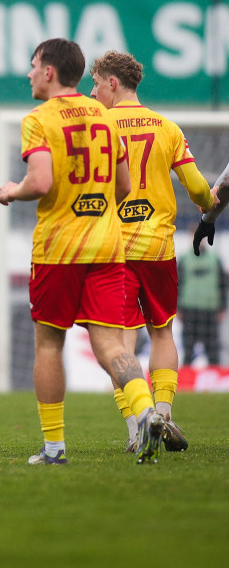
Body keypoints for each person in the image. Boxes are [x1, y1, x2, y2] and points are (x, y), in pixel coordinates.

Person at [0, 38, 165, 465]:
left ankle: (54, 448)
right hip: (107, 247)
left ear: (49, 72)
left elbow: (40, 182)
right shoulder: (106, 117)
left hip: (59, 250)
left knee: (49, 344)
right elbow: (125, 186)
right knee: (112, 344)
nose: (29, 73)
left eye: (34, 65)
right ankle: (146, 412)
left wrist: (11, 191)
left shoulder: (39, 119)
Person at [89, 50, 212, 453]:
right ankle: (164, 413)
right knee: (162, 332)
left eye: (96, 84)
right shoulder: (168, 128)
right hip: (159, 247)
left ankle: (136, 427)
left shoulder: (99, 126)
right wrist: (209, 203)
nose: (92, 93)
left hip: (113, 249)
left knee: (119, 342)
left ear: (112, 83)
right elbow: (198, 188)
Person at [178, 243, 226, 366]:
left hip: (210, 310)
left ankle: (214, 375)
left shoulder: (215, 259)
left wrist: (223, 307)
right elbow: (178, 284)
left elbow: (222, 284)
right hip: (190, 310)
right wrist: (177, 308)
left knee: (212, 350)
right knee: (188, 350)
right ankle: (186, 376)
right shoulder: (184, 259)